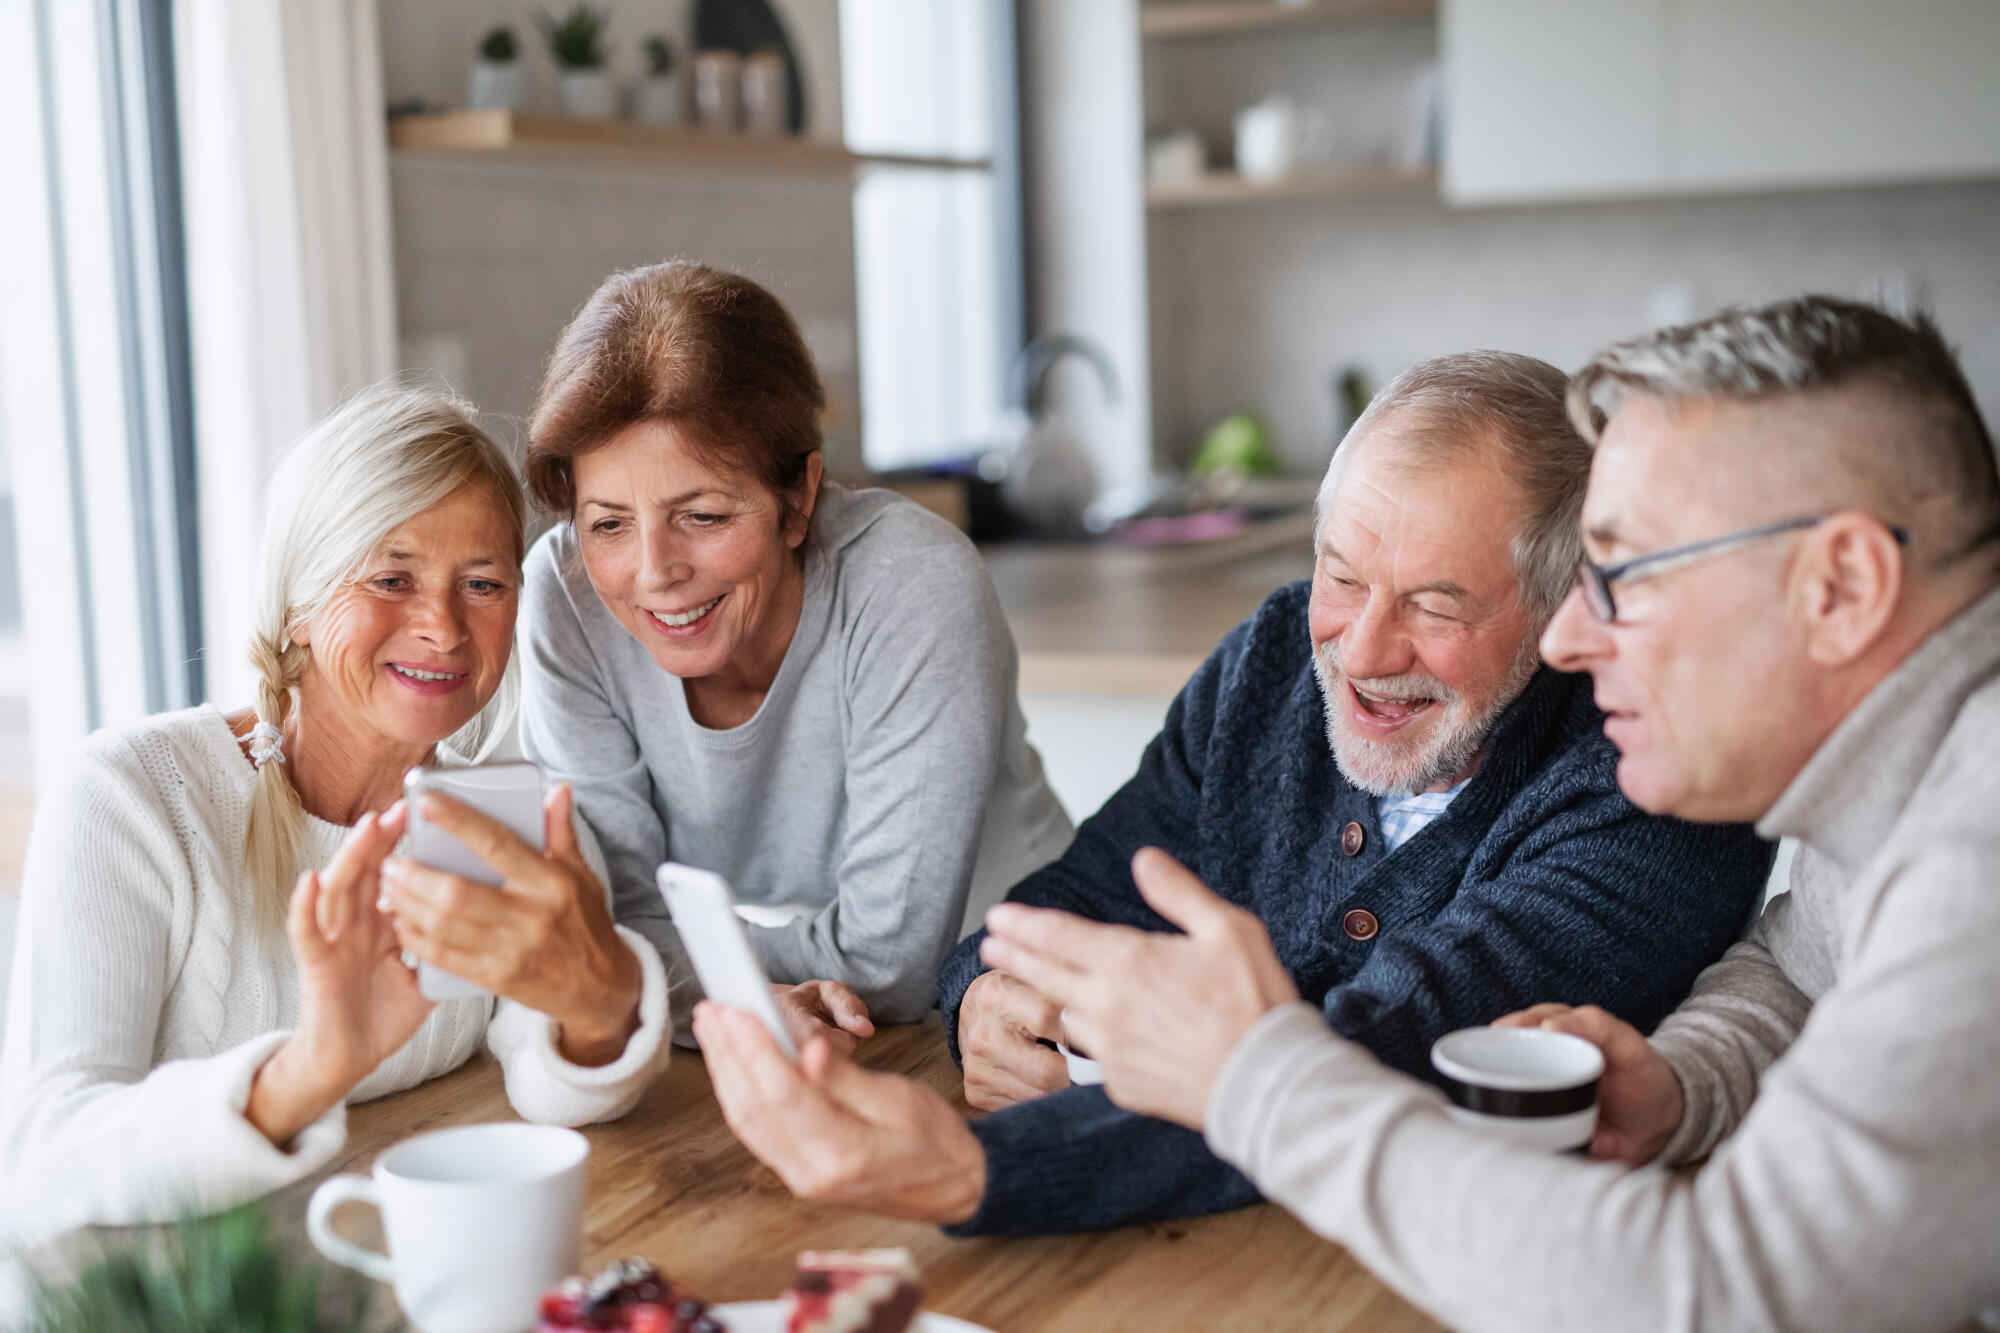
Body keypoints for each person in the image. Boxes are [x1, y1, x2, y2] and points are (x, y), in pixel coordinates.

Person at [978, 296, 2000, 1331]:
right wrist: (1683, 1081)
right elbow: (1798, 966)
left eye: (1625, 574)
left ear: (1841, 586)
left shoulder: (1977, 860)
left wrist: (1256, 1082)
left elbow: (1713, 1295)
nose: (1572, 637)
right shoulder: (1903, 778)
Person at [692, 351, 1774, 1233]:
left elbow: (1375, 1055)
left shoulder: (1650, 778)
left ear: (1560, 610)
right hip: (1191, 1250)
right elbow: (1083, 889)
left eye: (1435, 605)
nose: (1360, 646)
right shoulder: (1268, 664)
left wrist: (978, 1171)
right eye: (1342, 576)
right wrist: (983, 987)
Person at [0, 384, 832, 1251]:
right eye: (392, 578)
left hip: (384, 1261)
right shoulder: (132, 798)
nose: (442, 626)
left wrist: (600, 1007)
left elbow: (554, 1084)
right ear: (297, 603)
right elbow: (43, 1153)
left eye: (482, 583)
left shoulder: (510, 822)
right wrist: (307, 1069)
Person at [518, 262, 1072, 1028]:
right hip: (808, 1015)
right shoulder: (564, 595)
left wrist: (661, 975)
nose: (655, 574)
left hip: (1024, 987)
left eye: (704, 516)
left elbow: (892, 965)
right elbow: (613, 916)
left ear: (799, 498)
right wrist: (734, 993)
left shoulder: (911, 582)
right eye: (608, 522)